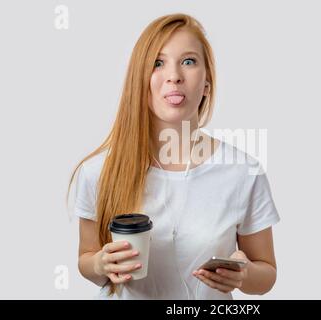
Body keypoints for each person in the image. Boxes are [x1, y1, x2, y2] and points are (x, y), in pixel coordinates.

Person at [67, 13, 280, 300]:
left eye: (189, 61)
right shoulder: (98, 171)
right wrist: (100, 263)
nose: (174, 75)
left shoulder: (243, 171)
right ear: (140, 83)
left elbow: (266, 274)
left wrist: (244, 275)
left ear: (206, 83)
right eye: (158, 62)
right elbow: (86, 260)